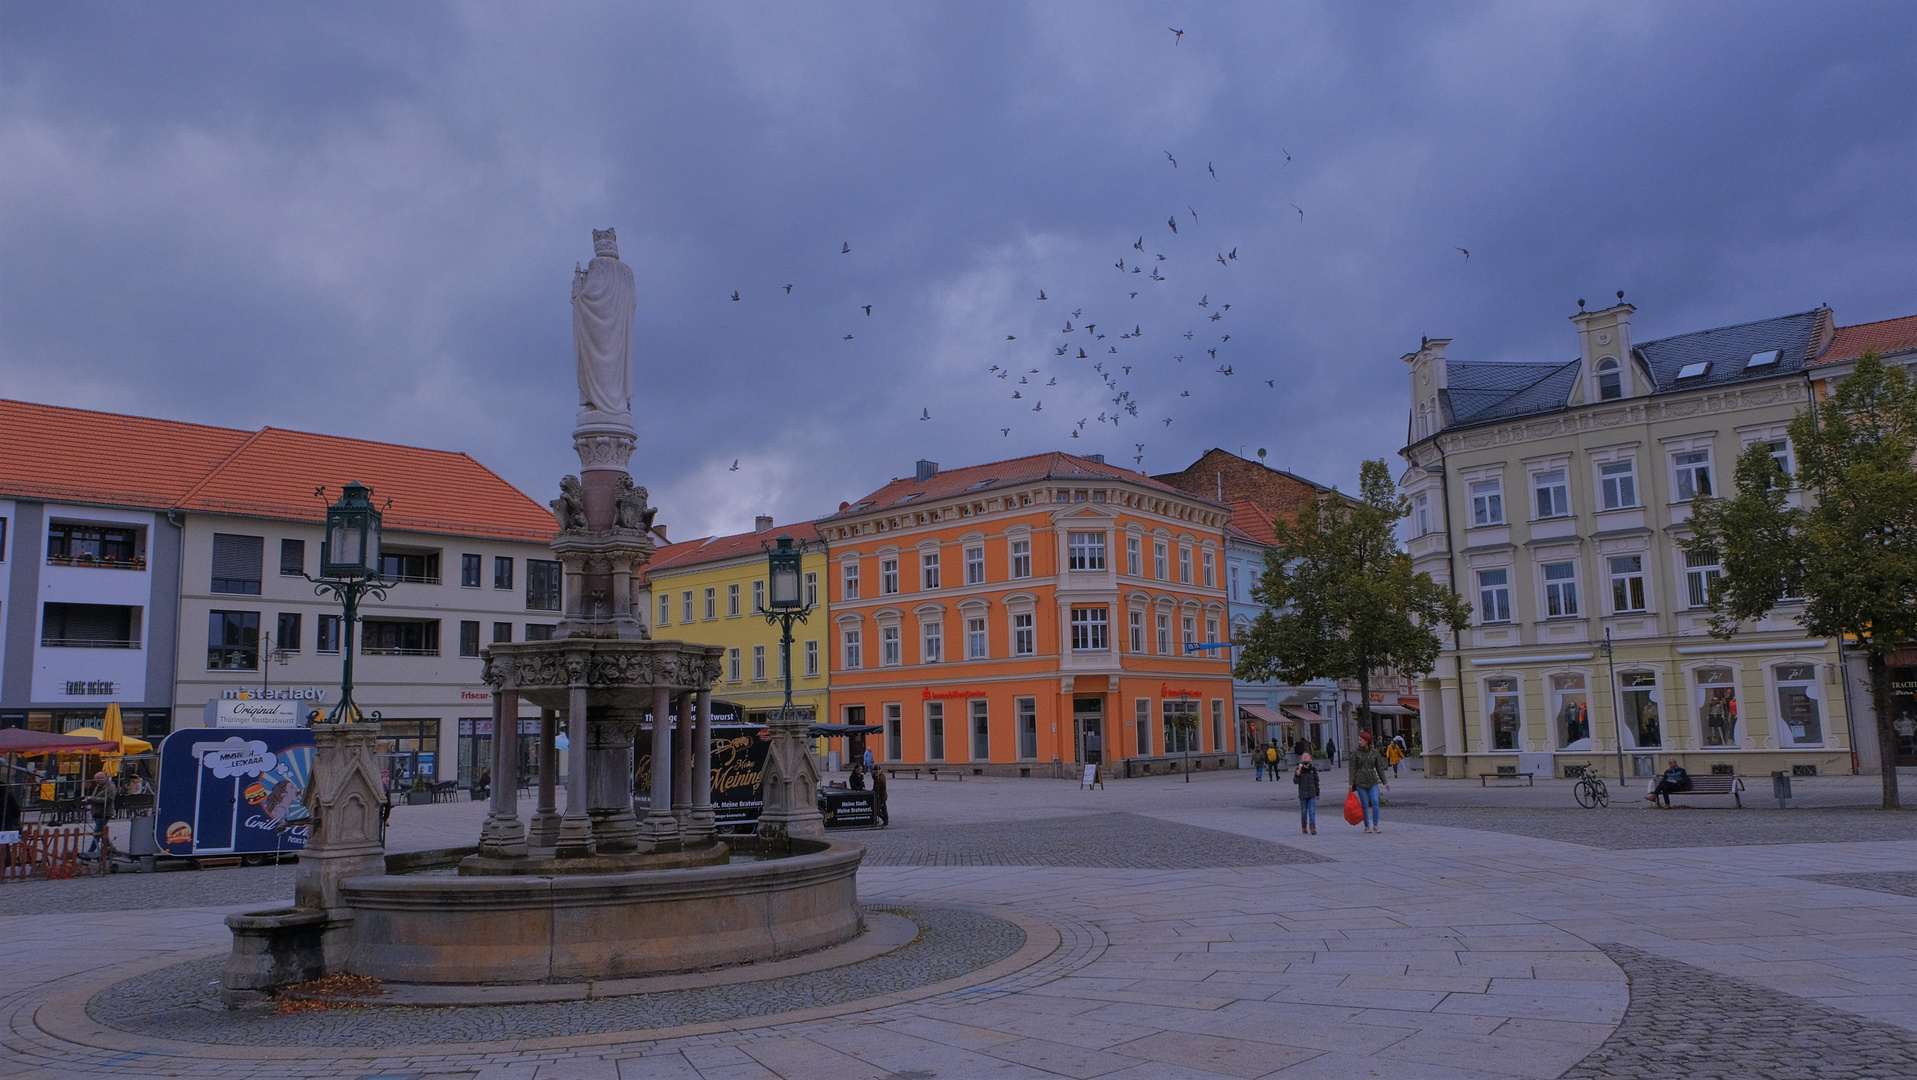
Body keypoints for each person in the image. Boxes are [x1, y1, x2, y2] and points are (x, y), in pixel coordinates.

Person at [1347, 732, 1389, 834]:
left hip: (1372, 780)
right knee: (1364, 804)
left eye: (1361, 740)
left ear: (1367, 741)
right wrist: (1351, 783)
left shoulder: (1374, 752)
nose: (1359, 742)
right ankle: (1366, 826)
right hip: (1360, 782)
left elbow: (1380, 768)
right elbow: (1352, 768)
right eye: (1359, 740)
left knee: (1375, 801)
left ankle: (1375, 825)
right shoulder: (1356, 753)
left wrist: (1385, 782)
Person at [84, 770, 117, 855]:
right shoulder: (98, 786)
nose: (97, 780)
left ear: (105, 778)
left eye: (100, 778)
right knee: (103, 833)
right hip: (96, 812)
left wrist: (93, 799)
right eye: (96, 779)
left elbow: (108, 800)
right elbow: (96, 796)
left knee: (97, 834)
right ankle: (110, 850)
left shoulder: (111, 787)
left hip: (104, 813)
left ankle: (89, 853)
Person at [1292, 752, 1321, 835]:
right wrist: (1297, 774)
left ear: (1310, 759)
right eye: (1303, 756)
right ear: (1301, 759)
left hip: (1312, 793)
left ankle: (1312, 827)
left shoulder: (1313, 770)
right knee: (1304, 811)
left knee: (1312, 811)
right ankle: (1304, 825)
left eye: (1307, 756)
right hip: (1303, 794)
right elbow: (1295, 781)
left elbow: (1316, 781)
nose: (1305, 757)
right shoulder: (1299, 769)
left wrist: (1317, 792)